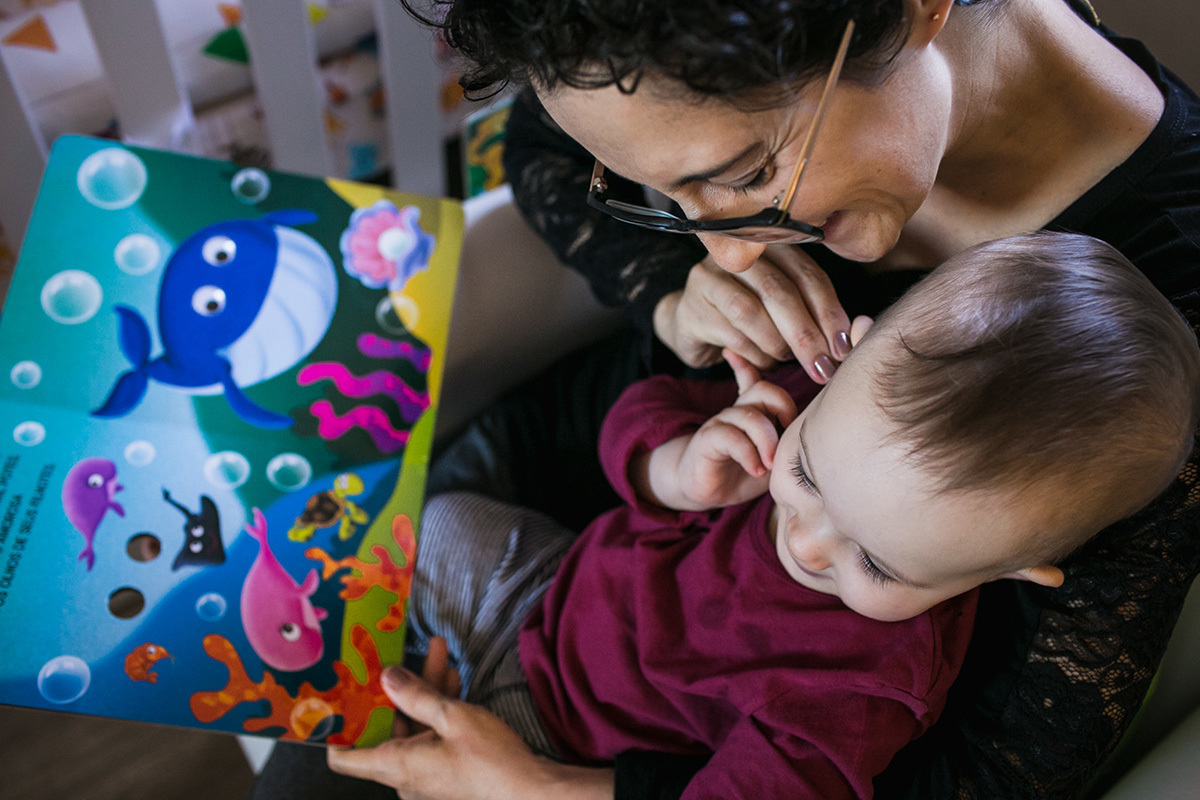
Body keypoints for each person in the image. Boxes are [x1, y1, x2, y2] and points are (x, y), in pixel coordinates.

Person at [252, 0, 1200, 797]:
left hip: (637, 751)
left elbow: (989, 773)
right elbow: (545, 149)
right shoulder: (675, 76)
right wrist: (671, 293)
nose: (731, 250)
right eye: (665, 196)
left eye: (743, 175)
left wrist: (540, 788)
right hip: (553, 509)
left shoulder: (1151, 351)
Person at [321, 232, 1200, 800]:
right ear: (848, 353)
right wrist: (677, 468)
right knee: (429, 526)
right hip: (543, 586)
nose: (806, 542)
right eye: (806, 473)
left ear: (1011, 572)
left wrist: (527, 784)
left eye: (877, 563)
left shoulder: (868, 689)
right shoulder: (809, 402)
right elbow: (632, 422)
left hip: (565, 740)